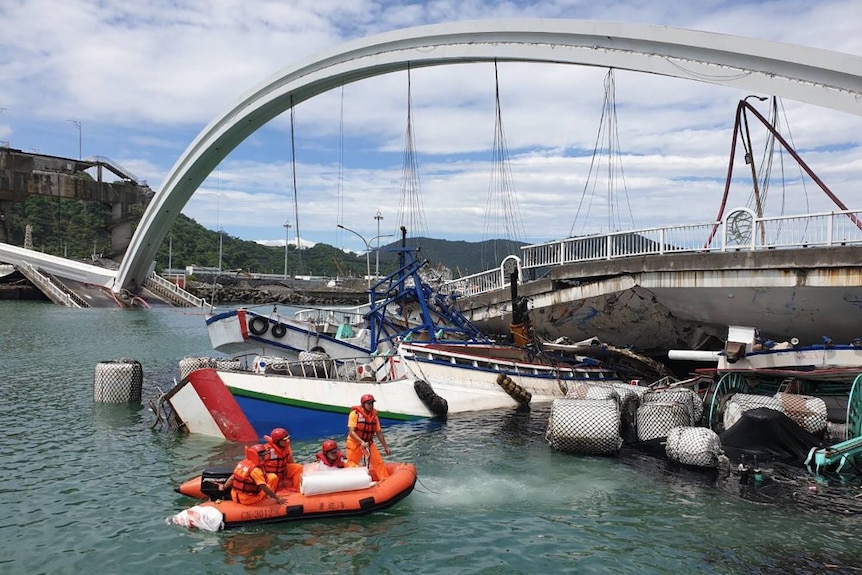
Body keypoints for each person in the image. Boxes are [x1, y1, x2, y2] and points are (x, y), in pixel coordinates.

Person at [221, 444, 286, 506]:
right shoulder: (255, 470)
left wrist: (224, 487)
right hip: (248, 499)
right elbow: (264, 487)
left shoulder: (242, 463)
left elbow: (232, 478)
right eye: (262, 456)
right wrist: (277, 498)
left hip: (234, 496)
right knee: (271, 482)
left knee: (272, 477)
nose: (264, 457)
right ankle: (267, 499)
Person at [346, 394, 391, 480]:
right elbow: (351, 432)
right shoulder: (355, 414)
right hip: (355, 442)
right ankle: (351, 482)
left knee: (378, 463)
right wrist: (361, 442)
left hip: (369, 443)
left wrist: (385, 447)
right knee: (351, 464)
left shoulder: (374, 417)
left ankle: (385, 480)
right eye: (369, 404)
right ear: (363, 404)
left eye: (372, 403)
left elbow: (379, 432)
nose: (371, 406)